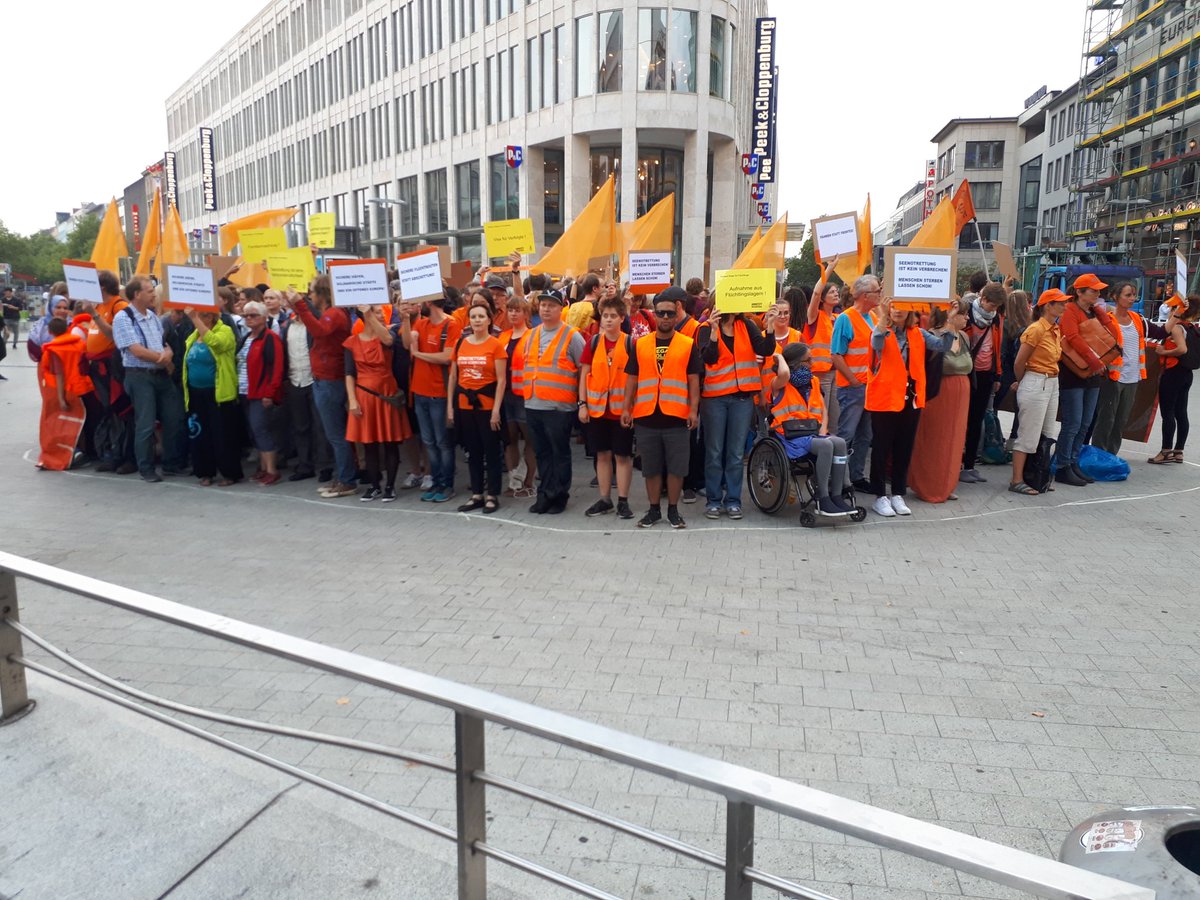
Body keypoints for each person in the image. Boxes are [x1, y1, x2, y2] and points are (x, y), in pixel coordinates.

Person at [622, 294, 702, 528]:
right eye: (661, 313)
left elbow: (693, 381)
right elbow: (632, 379)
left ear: (677, 315)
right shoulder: (641, 344)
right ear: (654, 314)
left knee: (677, 468)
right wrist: (626, 407)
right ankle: (654, 510)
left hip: (676, 417)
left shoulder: (688, 344)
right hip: (647, 416)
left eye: (670, 313)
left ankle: (674, 511)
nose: (665, 317)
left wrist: (693, 410)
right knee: (651, 468)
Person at [866, 298, 946, 517]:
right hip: (885, 398)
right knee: (882, 448)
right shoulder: (882, 330)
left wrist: (949, 322)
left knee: (904, 446)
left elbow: (943, 346)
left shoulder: (918, 333)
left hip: (910, 397)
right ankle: (879, 496)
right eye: (893, 307)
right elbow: (876, 343)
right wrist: (882, 317)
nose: (897, 311)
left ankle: (897, 493)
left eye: (902, 307)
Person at [698, 307, 775, 520]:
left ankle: (733, 501)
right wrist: (714, 333)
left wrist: (769, 326)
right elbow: (709, 359)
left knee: (735, 453)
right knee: (714, 451)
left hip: (742, 399)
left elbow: (766, 350)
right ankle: (713, 501)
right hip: (715, 399)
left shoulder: (747, 325)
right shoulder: (705, 328)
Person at [111, 275, 189, 482]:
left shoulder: (153, 317)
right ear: (137, 294)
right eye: (149, 290)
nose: (154, 294)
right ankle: (146, 468)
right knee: (145, 423)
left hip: (160, 374)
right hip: (140, 376)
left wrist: (168, 354)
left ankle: (171, 463)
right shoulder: (123, 318)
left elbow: (164, 344)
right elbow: (136, 350)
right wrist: (163, 358)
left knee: (175, 416)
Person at [767, 342, 852, 515]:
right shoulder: (779, 383)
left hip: (812, 432)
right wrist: (780, 357)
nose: (812, 364)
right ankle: (823, 497)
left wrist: (823, 431)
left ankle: (836, 496)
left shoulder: (813, 381)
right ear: (796, 363)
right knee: (826, 446)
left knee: (840, 443)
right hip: (789, 436)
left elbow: (823, 410)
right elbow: (784, 372)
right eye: (808, 360)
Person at [291, 276, 357, 498]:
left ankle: (347, 480)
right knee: (335, 434)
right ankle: (344, 477)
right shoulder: (334, 312)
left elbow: (319, 330)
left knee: (336, 434)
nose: (310, 296)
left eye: (312, 292)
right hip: (325, 378)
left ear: (322, 293)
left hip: (330, 380)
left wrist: (299, 305)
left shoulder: (335, 313)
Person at [521, 288, 585, 514]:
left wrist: (582, 402)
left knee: (559, 453)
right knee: (542, 453)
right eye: (543, 305)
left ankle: (559, 496)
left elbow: (583, 369)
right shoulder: (531, 334)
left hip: (559, 406)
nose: (546, 309)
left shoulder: (572, 336)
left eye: (551, 305)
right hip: (533, 403)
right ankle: (544, 494)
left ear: (561, 308)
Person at [909, 300, 972, 504]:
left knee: (954, 442)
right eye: (963, 314)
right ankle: (928, 485)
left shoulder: (964, 337)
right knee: (935, 439)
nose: (967, 318)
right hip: (939, 394)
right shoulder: (933, 337)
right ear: (951, 315)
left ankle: (947, 484)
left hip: (961, 396)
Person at [401, 293, 462, 502]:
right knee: (429, 441)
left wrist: (418, 355)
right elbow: (407, 342)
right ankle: (436, 482)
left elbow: (447, 357)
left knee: (442, 442)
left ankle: (447, 484)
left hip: (439, 394)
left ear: (428, 303)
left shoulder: (451, 324)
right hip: (420, 393)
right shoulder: (421, 323)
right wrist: (405, 319)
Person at [346, 305, 410, 501]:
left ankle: (390, 486)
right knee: (369, 444)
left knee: (390, 443)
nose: (382, 314)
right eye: (376, 311)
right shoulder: (352, 342)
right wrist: (352, 400)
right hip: (364, 396)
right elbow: (349, 374)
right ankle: (374, 485)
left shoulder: (387, 336)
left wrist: (368, 315)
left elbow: (388, 340)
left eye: (381, 312)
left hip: (386, 394)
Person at [1055, 274, 1114, 486]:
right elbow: (1072, 337)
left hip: (1093, 373)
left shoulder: (1094, 311)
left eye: (1099, 291)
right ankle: (1062, 466)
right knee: (1073, 423)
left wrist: (1100, 313)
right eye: (1093, 291)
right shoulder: (1070, 310)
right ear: (1079, 292)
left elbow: (1113, 334)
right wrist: (1093, 360)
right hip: (1075, 373)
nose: (1098, 294)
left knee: (1085, 423)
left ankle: (1072, 462)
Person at [579, 295, 634, 519]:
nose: (608, 320)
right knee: (602, 455)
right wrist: (582, 404)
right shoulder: (593, 343)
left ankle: (622, 500)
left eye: (613, 316)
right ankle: (604, 499)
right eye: (605, 316)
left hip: (621, 411)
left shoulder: (631, 343)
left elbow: (635, 379)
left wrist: (630, 409)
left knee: (622, 456)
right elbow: (584, 374)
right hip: (597, 410)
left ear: (622, 318)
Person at [448, 303, 507, 513]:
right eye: (473, 316)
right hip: (465, 405)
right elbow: (453, 377)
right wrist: (450, 407)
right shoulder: (461, 344)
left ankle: (492, 494)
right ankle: (476, 494)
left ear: (489, 320)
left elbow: (501, 380)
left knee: (491, 451)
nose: (477, 320)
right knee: (472, 452)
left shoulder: (496, 345)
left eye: (481, 316)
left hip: (487, 405)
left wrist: (496, 410)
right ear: (469, 320)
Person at [1009, 289, 1068, 495]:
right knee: (1028, 434)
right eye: (1059, 303)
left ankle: (1036, 475)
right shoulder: (1036, 329)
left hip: (1050, 381)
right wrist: (1022, 381)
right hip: (1036, 379)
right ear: (1047, 306)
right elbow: (1019, 361)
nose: (1063, 306)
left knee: (1047, 432)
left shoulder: (1054, 329)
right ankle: (1017, 479)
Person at [182, 307, 243, 486]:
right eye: (199, 315)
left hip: (218, 393)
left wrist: (196, 320)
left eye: (205, 315)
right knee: (200, 434)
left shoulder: (225, 331)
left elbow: (215, 343)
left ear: (214, 316)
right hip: (195, 392)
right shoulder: (194, 335)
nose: (201, 318)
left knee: (222, 434)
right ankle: (205, 471)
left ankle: (229, 473)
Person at [832, 275, 882, 492]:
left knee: (865, 435)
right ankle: (838, 480)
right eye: (877, 291)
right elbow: (836, 354)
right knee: (846, 435)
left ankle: (857, 477)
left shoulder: (871, 316)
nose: (880, 294)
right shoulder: (845, 319)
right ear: (864, 296)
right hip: (853, 388)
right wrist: (853, 380)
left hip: (869, 387)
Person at [83, 270, 135, 472]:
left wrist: (94, 314)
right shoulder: (99, 305)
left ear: (102, 287)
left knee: (122, 410)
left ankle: (127, 457)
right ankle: (113, 453)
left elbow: (116, 336)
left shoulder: (118, 305)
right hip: (98, 368)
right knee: (109, 412)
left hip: (113, 368)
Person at [280, 293, 332, 482]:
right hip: (295, 380)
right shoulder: (287, 326)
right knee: (300, 426)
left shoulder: (314, 324)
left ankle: (325, 465)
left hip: (314, 379)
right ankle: (305, 464)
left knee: (320, 425)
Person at [1092, 281, 1146, 456]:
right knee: (1106, 418)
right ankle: (1099, 455)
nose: (1133, 299)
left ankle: (1111, 455)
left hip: (1132, 377)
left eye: (1133, 295)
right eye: (1128, 295)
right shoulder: (1107, 320)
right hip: (1113, 376)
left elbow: (1160, 332)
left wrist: (1177, 314)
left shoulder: (1136, 318)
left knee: (1121, 420)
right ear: (1115, 297)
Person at [960, 283, 1005, 484]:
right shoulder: (966, 314)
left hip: (986, 374)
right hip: (967, 372)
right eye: (991, 305)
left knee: (976, 420)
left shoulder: (996, 319)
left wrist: (997, 375)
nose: (993, 309)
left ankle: (970, 465)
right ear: (983, 298)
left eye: (997, 306)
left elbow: (997, 346)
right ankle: (958, 464)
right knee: (962, 420)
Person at [36, 317, 93, 470]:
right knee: (83, 421)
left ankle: (72, 452)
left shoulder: (54, 349)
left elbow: (59, 374)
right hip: (84, 387)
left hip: (68, 390)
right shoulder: (79, 343)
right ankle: (86, 451)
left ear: (49, 332)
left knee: (67, 422)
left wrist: (60, 398)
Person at [238, 301, 285, 486]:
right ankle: (263, 468)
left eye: (253, 315)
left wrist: (270, 393)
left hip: (260, 392)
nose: (249, 318)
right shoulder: (246, 337)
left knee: (261, 429)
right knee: (254, 431)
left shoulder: (270, 338)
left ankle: (272, 470)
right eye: (246, 315)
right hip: (245, 391)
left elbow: (277, 367)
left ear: (265, 317)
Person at [1149, 295, 1199, 464]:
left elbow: (1182, 349)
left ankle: (1165, 451)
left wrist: (1164, 353)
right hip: (1186, 374)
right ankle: (1179, 451)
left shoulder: (1177, 328)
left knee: (1168, 413)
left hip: (1173, 372)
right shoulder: (1192, 327)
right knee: (1181, 412)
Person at [498, 297, 537, 498]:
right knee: (510, 440)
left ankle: (529, 482)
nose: (513, 313)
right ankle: (514, 482)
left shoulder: (533, 336)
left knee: (530, 440)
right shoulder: (503, 337)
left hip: (525, 395)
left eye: (517, 310)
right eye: (510, 310)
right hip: (505, 396)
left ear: (526, 314)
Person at [805, 266, 842, 434]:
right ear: (823, 298)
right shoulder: (814, 315)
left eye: (837, 291)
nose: (836, 294)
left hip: (838, 373)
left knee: (836, 417)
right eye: (832, 292)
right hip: (820, 374)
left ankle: (833, 449)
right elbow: (815, 293)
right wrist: (829, 269)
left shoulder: (838, 318)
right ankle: (819, 450)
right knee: (821, 415)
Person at [999, 289, 1032, 449]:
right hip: (1022, 371)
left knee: (994, 406)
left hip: (1006, 371)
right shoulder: (1030, 326)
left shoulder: (1005, 324)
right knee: (1020, 409)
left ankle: (996, 438)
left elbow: (1003, 351)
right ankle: (1014, 438)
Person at [28, 289, 71, 362]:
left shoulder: (72, 324)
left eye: (65, 308)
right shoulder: (41, 326)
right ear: (51, 308)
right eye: (58, 307)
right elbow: (32, 346)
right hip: (46, 366)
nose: (62, 310)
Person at [2, 286, 22, 353]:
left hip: (15, 318)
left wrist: (13, 307)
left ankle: (14, 344)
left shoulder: (17, 300)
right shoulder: (2, 300)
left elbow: (20, 308)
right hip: (6, 318)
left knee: (16, 332)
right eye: (5, 293)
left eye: (8, 293)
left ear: (11, 293)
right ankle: (4, 343)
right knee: (6, 332)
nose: (7, 294)